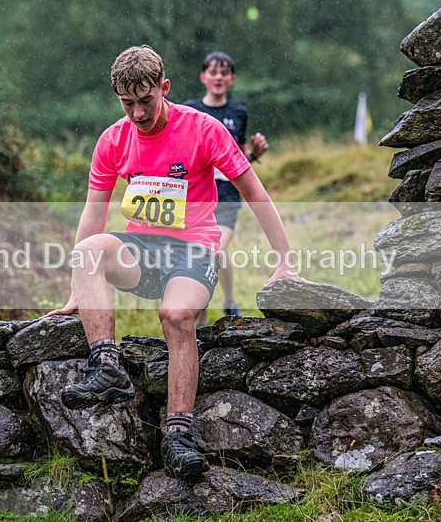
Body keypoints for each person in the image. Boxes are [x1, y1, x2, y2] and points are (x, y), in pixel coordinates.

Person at [45, 45, 297, 480]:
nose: (139, 114)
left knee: (177, 316)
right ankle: (107, 367)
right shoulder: (113, 139)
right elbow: (93, 214)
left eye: (146, 101)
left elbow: (254, 191)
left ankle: (178, 435)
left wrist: (284, 261)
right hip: (141, 252)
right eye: (128, 104)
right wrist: (77, 285)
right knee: (86, 251)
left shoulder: (204, 128)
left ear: (164, 88)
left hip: (194, 249)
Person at [183, 52, 268, 325]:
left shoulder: (239, 113)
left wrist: (254, 154)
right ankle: (202, 316)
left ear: (231, 79)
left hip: (228, 193)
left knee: (216, 250)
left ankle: (229, 302)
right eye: (213, 72)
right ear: (203, 77)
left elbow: (238, 159)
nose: (218, 77)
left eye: (224, 73)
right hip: (196, 194)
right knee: (199, 252)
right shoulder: (190, 110)